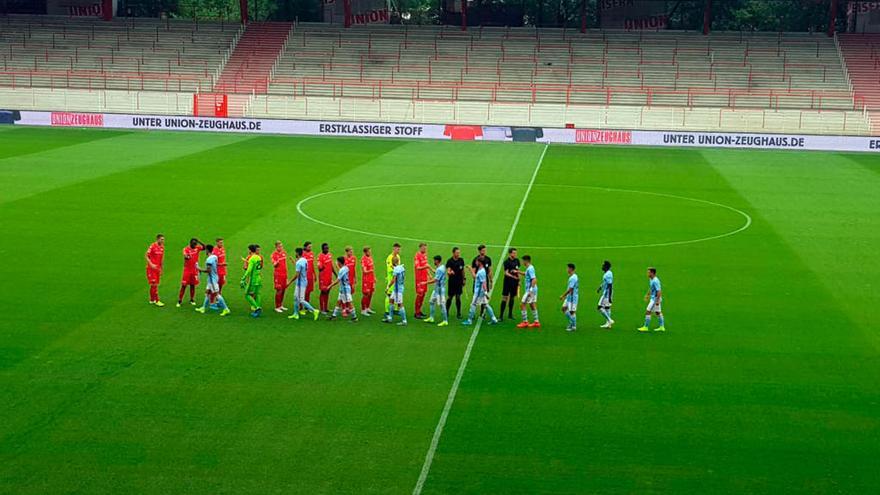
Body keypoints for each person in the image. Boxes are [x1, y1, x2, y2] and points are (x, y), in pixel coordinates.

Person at [195, 244, 230, 316]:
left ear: (207, 250)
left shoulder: (209, 260)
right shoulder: (215, 257)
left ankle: (226, 309)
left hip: (212, 279)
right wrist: (222, 264)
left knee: (217, 294)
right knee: (207, 292)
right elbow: (216, 264)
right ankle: (203, 307)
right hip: (213, 277)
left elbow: (208, 271)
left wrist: (199, 269)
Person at [287, 247, 320, 321]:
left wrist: (289, 282)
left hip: (300, 283)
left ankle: (314, 311)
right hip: (303, 281)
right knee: (295, 298)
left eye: (295, 252)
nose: (295, 254)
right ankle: (295, 313)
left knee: (301, 300)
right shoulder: (304, 260)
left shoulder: (299, 262)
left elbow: (297, 275)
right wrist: (293, 262)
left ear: (297, 253)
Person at [463, 257, 498, 326]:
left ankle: (469, 320)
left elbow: (484, 283)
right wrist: (471, 269)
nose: (476, 262)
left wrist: (485, 293)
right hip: (481, 291)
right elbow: (476, 277)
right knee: (486, 305)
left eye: (477, 261)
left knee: (473, 304)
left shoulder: (481, 271)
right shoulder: (481, 270)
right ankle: (494, 319)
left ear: (480, 262)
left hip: (479, 292)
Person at [328, 256, 358, 322]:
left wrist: (330, 285)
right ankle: (334, 315)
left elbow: (338, 280)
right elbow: (341, 272)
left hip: (345, 289)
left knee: (350, 303)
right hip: (343, 289)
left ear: (339, 262)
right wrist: (337, 266)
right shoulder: (346, 268)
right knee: (338, 302)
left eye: (337, 262)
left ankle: (354, 317)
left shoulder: (342, 270)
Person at [421, 255, 449, 326]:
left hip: (439, 291)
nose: (434, 262)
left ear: (437, 261)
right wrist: (429, 267)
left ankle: (445, 320)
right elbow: (436, 272)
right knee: (431, 302)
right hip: (436, 289)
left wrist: (425, 282)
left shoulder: (440, 269)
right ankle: (431, 317)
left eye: (434, 260)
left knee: (442, 305)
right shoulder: (441, 267)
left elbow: (435, 279)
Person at [178, 238, 205, 307]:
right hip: (187, 270)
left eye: (196, 244)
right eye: (194, 244)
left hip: (194, 270)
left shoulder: (197, 248)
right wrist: (186, 257)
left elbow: (204, 247)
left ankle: (192, 299)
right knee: (184, 285)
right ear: (190, 243)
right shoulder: (186, 249)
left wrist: (199, 241)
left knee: (193, 285)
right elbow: (185, 255)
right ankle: (180, 300)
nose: (195, 245)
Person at [638, 267, 665, 333]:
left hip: (655, 299)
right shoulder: (651, 279)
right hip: (654, 298)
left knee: (648, 311)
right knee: (657, 312)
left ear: (652, 273)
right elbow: (651, 288)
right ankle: (662, 327)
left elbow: (659, 291)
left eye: (649, 272)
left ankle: (646, 327)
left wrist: (657, 301)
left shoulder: (655, 281)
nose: (647, 273)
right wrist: (647, 295)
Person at [517, 255, 540, 328]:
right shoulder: (529, 268)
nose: (522, 262)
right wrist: (518, 272)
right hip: (533, 289)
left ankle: (525, 322)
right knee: (532, 304)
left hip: (530, 290)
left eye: (523, 261)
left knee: (522, 304)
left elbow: (534, 279)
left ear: (526, 261)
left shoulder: (530, 269)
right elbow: (526, 275)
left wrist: (530, 290)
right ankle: (536, 322)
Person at [384, 255, 407, 326]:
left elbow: (393, 280)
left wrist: (387, 287)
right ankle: (390, 317)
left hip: (397, 289)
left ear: (392, 262)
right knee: (391, 300)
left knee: (400, 304)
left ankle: (404, 321)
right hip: (399, 287)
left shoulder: (396, 269)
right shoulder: (402, 267)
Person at [499, 248, 520, 321]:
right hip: (507, 282)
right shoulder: (506, 262)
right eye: (514, 253)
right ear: (510, 253)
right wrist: (513, 277)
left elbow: (518, 271)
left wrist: (519, 280)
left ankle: (510, 314)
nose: (515, 254)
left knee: (512, 297)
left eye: (515, 253)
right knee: (505, 297)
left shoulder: (517, 261)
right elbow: (506, 273)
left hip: (514, 283)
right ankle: (501, 315)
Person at [445, 247, 466, 319]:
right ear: (453, 253)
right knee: (450, 297)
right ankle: (446, 311)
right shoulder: (450, 261)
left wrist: (464, 279)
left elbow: (462, 270)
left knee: (458, 297)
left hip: (459, 281)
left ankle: (459, 313)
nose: (458, 254)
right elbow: (448, 270)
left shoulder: (461, 260)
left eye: (459, 252)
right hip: (452, 282)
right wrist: (450, 272)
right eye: (457, 253)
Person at [145, 234, 165, 306]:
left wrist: (161, 268)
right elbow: (146, 255)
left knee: (154, 285)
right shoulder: (152, 246)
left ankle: (151, 299)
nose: (163, 241)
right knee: (154, 284)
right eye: (162, 239)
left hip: (157, 269)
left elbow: (161, 259)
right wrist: (151, 264)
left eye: (163, 239)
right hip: (151, 269)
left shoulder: (162, 247)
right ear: (157, 239)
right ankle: (157, 300)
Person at [384, 243, 402, 318]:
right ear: (394, 249)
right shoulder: (389, 257)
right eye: (398, 249)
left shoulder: (398, 256)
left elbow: (398, 266)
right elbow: (390, 268)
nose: (399, 250)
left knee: (395, 294)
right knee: (389, 295)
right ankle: (387, 311)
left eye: (399, 249)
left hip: (396, 279)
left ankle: (395, 309)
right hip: (391, 278)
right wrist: (397, 270)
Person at [317, 243, 336, 314]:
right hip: (323, 278)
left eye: (328, 248)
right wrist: (321, 267)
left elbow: (331, 265)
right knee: (323, 292)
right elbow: (319, 268)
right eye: (326, 248)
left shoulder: (329, 255)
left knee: (328, 291)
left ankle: (326, 308)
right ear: (322, 249)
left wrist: (335, 274)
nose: (327, 249)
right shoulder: (320, 257)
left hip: (329, 277)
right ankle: (322, 309)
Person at [271, 241, 289, 313]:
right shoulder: (274, 255)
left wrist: (287, 275)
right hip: (278, 275)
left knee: (284, 289)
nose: (281, 248)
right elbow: (274, 264)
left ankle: (281, 305)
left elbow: (285, 264)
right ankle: (277, 306)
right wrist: (276, 262)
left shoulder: (284, 253)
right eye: (279, 246)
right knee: (279, 290)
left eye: (281, 246)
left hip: (284, 274)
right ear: (276, 247)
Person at [560, 263, 579, 332]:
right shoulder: (573, 276)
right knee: (563, 309)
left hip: (572, 298)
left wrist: (563, 295)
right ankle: (571, 322)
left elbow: (570, 289)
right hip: (569, 297)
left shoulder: (573, 278)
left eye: (568, 268)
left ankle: (573, 326)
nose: (567, 269)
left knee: (572, 312)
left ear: (571, 269)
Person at [597, 260, 614, 329]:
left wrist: (609, 297)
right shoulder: (608, 273)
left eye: (603, 265)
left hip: (606, 293)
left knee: (599, 307)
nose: (602, 266)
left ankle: (610, 320)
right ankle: (608, 324)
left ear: (606, 267)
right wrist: (600, 287)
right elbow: (605, 282)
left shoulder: (608, 274)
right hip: (607, 292)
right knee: (607, 307)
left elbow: (610, 285)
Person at [361, 246, 376, 315]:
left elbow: (372, 268)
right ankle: (363, 309)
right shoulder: (363, 259)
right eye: (369, 251)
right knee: (366, 294)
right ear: (365, 252)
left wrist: (374, 277)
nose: (370, 252)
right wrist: (370, 270)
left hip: (371, 279)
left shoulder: (370, 258)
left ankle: (367, 308)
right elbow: (364, 271)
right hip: (366, 280)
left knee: (371, 294)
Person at [302, 241, 316, 308]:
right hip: (304, 276)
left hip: (310, 276)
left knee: (308, 291)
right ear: (305, 247)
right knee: (303, 292)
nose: (310, 248)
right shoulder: (302, 254)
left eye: (311, 247)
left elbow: (312, 265)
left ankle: (307, 306)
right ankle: (301, 307)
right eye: (309, 247)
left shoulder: (311, 253)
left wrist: (315, 275)